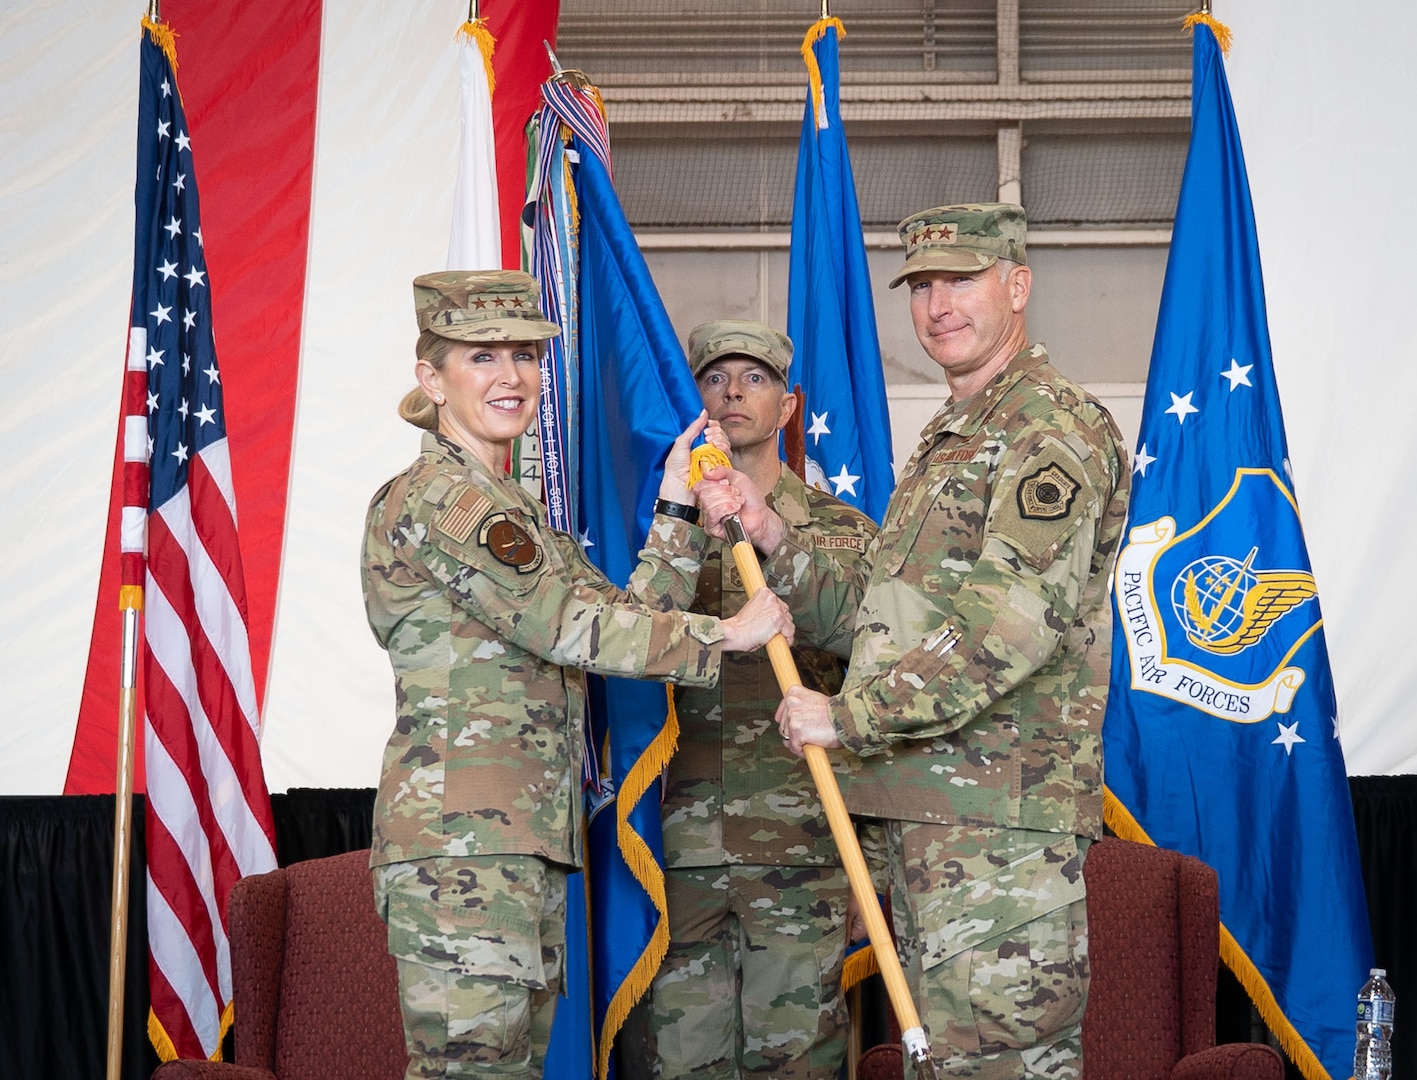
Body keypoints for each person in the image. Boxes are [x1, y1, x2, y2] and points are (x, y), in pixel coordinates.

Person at [700, 204, 1130, 1079]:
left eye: (961, 281)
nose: (938, 305)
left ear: (1017, 286)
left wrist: (849, 716)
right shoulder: (952, 439)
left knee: (998, 1067)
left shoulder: (1046, 428)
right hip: (932, 826)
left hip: (995, 839)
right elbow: (878, 610)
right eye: (922, 286)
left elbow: (1008, 626)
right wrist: (775, 537)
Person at [361, 270, 796, 1080]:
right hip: (465, 847)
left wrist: (671, 506)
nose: (511, 376)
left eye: (525, 356)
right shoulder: (446, 502)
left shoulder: (517, 511)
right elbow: (571, 626)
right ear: (432, 378)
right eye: (481, 356)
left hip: (515, 840)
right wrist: (729, 632)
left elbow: (619, 616)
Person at [649, 321, 876, 1080]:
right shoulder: (669, 524)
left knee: (796, 1060)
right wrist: (683, 522)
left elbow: (874, 660)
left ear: (787, 406)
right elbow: (632, 641)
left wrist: (866, 861)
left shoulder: (841, 531)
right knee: (681, 1060)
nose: (733, 391)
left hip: (803, 844)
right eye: (715, 378)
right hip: (679, 846)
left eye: (754, 378)